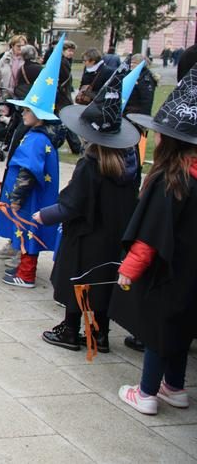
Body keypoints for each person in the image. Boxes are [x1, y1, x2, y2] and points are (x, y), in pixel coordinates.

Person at [32, 69, 139, 353]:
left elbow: (72, 203)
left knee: (76, 282)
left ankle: (69, 331)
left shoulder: (91, 164)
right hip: (113, 237)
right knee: (102, 284)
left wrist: (44, 215)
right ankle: (99, 335)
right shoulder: (129, 165)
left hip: (85, 235)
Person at [112, 67, 197, 416]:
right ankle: (174, 388)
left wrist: (129, 270)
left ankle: (146, 392)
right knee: (182, 328)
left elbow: (150, 236)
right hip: (193, 276)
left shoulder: (171, 181)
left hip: (168, 272)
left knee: (158, 331)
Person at [0, 35, 66, 288]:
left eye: (26, 110)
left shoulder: (36, 139)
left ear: (39, 116)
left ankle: (25, 274)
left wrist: (15, 198)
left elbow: (27, 171)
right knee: (28, 232)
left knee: (28, 231)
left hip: (28, 198)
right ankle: (24, 269)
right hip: (34, 197)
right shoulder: (42, 136)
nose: (22, 113)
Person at [0, 34, 27, 102]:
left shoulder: (27, 59)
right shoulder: (5, 57)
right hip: (6, 93)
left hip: (21, 94)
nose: (21, 48)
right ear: (12, 46)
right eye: (18, 46)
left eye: (23, 46)